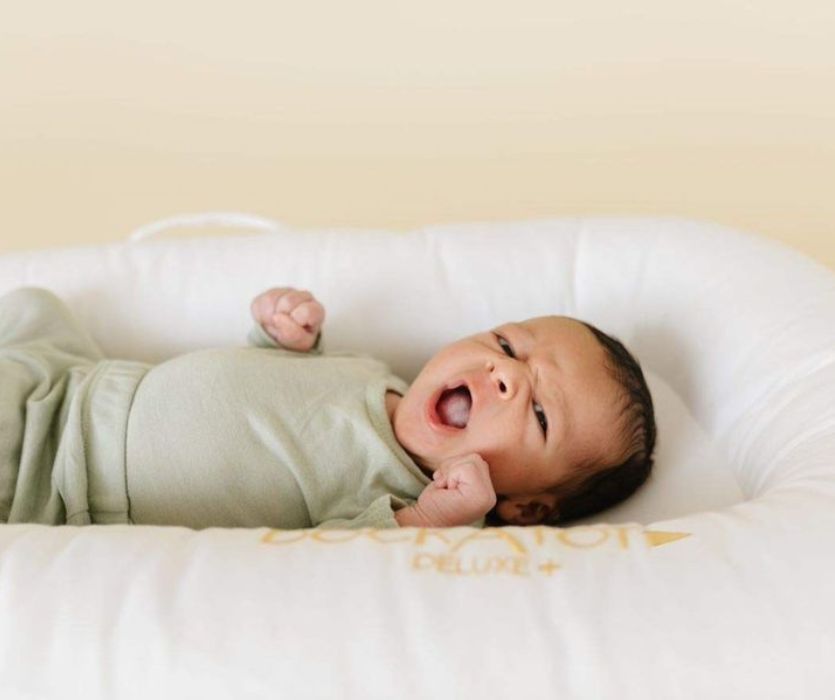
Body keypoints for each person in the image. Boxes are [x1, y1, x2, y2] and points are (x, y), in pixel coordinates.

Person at [0, 286, 655, 529]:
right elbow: (269, 388)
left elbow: (328, 563)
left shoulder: (398, 501)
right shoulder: (375, 374)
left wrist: (430, 520)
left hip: (56, 474)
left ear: (529, 507)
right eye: (507, 343)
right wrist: (281, 337)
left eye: (540, 412)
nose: (504, 374)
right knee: (39, 305)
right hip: (79, 382)